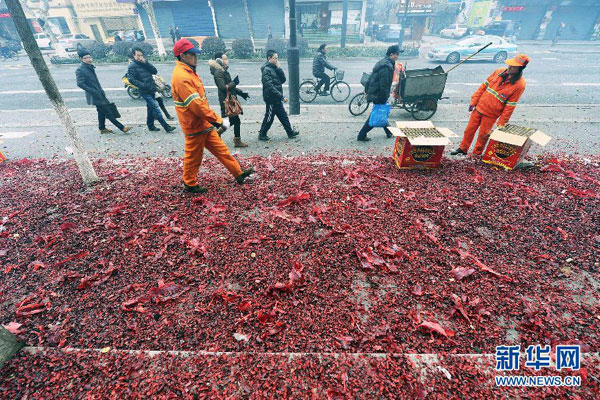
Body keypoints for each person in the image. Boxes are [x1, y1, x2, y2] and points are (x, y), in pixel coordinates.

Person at [171, 39, 254, 193]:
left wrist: (213, 121)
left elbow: (199, 103)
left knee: (222, 150)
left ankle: (238, 173)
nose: (196, 58)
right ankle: (189, 184)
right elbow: (196, 105)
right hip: (193, 125)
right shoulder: (181, 77)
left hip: (203, 124)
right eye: (192, 55)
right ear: (183, 56)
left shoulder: (188, 72)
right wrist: (218, 120)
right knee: (193, 156)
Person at [451, 54, 529, 156]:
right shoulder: (498, 71)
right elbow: (483, 87)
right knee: (469, 130)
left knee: (483, 136)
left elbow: (510, 106)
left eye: (513, 66)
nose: (509, 67)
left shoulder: (520, 85)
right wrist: (473, 101)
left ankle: (476, 154)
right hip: (479, 108)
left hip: (491, 114)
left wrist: (501, 124)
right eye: (510, 64)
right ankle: (462, 148)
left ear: (520, 69)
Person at [76, 49, 131, 135]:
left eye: (89, 57)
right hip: (94, 95)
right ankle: (122, 127)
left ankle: (102, 128)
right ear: (81, 59)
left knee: (101, 112)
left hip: (99, 93)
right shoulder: (80, 69)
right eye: (86, 58)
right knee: (108, 112)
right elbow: (80, 83)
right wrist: (93, 91)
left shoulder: (90, 67)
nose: (89, 59)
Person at [356, 45, 402, 142]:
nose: (398, 56)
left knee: (381, 113)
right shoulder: (387, 66)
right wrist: (384, 97)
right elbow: (384, 84)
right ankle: (361, 135)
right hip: (379, 94)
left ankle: (389, 132)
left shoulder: (383, 62)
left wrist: (367, 89)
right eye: (397, 54)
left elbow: (371, 76)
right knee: (376, 116)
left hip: (374, 92)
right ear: (391, 54)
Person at [128, 47, 176, 133]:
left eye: (141, 55)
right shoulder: (132, 66)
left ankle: (150, 126)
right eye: (138, 55)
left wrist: (146, 63)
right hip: (144, 91)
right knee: (156, 108)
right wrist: (143, 85)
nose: (140, 57)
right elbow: (131, 79)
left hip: (152, 89)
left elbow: (154, 71)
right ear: (133, 56)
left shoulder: (145, 63)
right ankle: (166, 127)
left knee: (150, 109)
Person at [209, 51, 250, 148]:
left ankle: (219, 133)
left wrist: (241, 93)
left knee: (234, 121)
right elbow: (223, 88)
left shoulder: (223, 70)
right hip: (226, 100)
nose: (226, 60)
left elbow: (230, 87)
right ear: (219, 60)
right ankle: (236, 140)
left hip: (229, 98)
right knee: (236, 121)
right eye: (224, 58)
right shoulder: (219, 72)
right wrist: (234, 82)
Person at [258, 50, 300, 141]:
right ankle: (262, 134)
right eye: (275, 58)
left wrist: (279, 68)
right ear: (269, 58)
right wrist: (281, 96)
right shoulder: (266, 70)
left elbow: (283, 80)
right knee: (269, 117)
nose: (277, 60)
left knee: (283, 116)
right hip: (271, 98)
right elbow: (269, 86)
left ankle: (290, 132)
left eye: (277, 58)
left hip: (276, 97)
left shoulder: (274, 68)